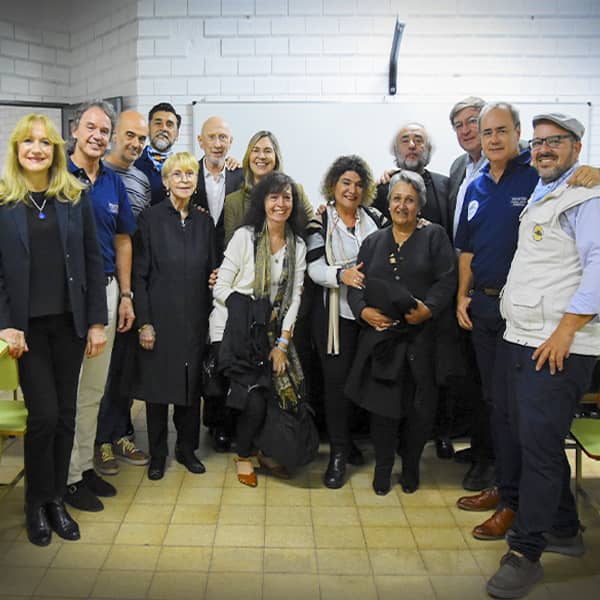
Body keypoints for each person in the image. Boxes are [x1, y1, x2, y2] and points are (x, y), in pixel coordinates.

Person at [486, 113, 600, 599]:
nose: (544, 149)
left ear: (577, 147)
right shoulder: (545, 190)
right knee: (533, 441)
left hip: (557, 345)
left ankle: (526, 552)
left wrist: (566, 330)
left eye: (555, 141)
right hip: (523, 336)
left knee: (538, 451)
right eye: (538, 143)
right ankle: (564, 529)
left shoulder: (588, 197)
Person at [0, 114, 107, 545]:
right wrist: (6, 325)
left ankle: (57, 500)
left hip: (70, 325)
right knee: (43, 417)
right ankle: (36, 503)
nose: (37, 149)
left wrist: (96, 322)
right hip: (26, 332)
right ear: (17, 149)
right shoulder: (4, 202)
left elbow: (93, 261)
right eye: (29, 141)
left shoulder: (73, 197)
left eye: (45, 142)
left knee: (65, 416)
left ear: (56, 150)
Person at [346, 170, 457, 494]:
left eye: (410, 200)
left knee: (420, 410)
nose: (402, 205)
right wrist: (363, 311)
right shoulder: (373, 242)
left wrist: (429, 309)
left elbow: (447, 280)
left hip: (422, 339)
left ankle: (410, 467)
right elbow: (356, 285)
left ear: (419, 205)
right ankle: (383, 467)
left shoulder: (434, 236)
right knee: (383, 410)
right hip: (383, 341)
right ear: (389, 203)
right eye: (397, 198)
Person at [210, 171, 307, 487]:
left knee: (276, 396)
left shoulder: (297, 245)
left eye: (286, 197)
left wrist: (281, 344)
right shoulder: (245, 237)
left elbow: (294, 298)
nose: (280, 204)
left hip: (273, 334)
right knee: (254, 398)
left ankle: (266, 451)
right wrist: (251, 312)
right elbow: (221, 287)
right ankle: (243, 456)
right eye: (273, 197)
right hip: (236, 331)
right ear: (262, 201)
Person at [65, 100, 137, 513]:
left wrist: (126, 295)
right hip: (68, 297)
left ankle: (83, 467)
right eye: (90, 127)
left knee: (93, 389)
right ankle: (67, 476)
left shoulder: (113, 183)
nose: (97, 135)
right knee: (70, 390)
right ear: (75, 130)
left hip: (108, 292)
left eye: (104, 130)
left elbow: (123, 240)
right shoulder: (57, 175)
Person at [134, 152, 216, 481]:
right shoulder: (150, 219)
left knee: (190, 389)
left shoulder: (204, 222)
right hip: (159, 319)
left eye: (190, 174)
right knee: (157, 391)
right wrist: (145, 322)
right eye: (177, 174)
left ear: (196, 181)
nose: (184, 179)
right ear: (166, 181)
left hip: (195, 319)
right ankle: (158, 454)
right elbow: (140, 275)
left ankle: (186, 449)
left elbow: (213, 271)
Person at [307, 155, 385, 489]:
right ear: (333, 186)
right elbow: (313, 268)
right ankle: (338, 453)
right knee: (337, 386)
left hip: (373, 316)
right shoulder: (319, 222)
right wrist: (342, 275)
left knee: (365, 382)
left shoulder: (377, 218)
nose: (352, 190)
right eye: (345, 183)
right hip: (336, 319)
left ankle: (354, 441)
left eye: (358, 184)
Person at [94, 110, 151, 476]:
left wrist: (130, 293)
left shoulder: (142, 179)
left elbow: (133, 236)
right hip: (101, 284)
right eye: (130, 135)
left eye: (141, 138)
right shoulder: (98, 176)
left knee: (124, 368)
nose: (136, 143)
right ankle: (100, 440)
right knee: (100, 371)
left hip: (129, 284)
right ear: (115, 135)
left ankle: (120, 432)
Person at [190, 116, 243, 453]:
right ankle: (208, 418)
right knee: (201, 347)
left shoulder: (240, 176)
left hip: (230, 274)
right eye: (212, 137)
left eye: (223, 137)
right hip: (193, 275)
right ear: (200, 141)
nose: (218, 143)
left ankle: (226, 421)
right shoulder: (187, 174)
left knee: (225, 346)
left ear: (231, 142)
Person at [223, 130, 314, 246]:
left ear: (276, 157)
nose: (261, 156)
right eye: (255, 150)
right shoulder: (233, 202)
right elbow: (230, 246)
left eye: (267, 151)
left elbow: (313, 227)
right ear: (248, 157)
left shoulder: (296, 191)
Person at [374, 122, 451, 236]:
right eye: (405, 141)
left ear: (428, 149)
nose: (411, 145)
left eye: (418, 140)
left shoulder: (445, 186)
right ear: (396, 149)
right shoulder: (382, 189)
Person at [134, 102, 181, 206]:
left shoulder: (184, 169)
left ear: (177, 134)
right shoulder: (132, 165)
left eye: (169, 125)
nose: (163, 128)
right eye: (158, 123)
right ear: (148, 129)